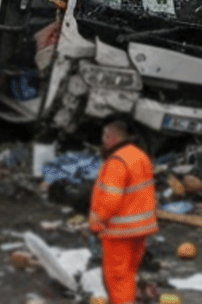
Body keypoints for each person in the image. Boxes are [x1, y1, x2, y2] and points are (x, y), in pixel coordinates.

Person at [90, 119, 158, 304]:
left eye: (104, 137)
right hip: (140, 228)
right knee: (129, 273)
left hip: (119, 232)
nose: (103, 141)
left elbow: (111, 199)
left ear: (111, 138)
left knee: (118, 278)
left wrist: (97, 222)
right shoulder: (139, 156)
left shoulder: (116, 162)